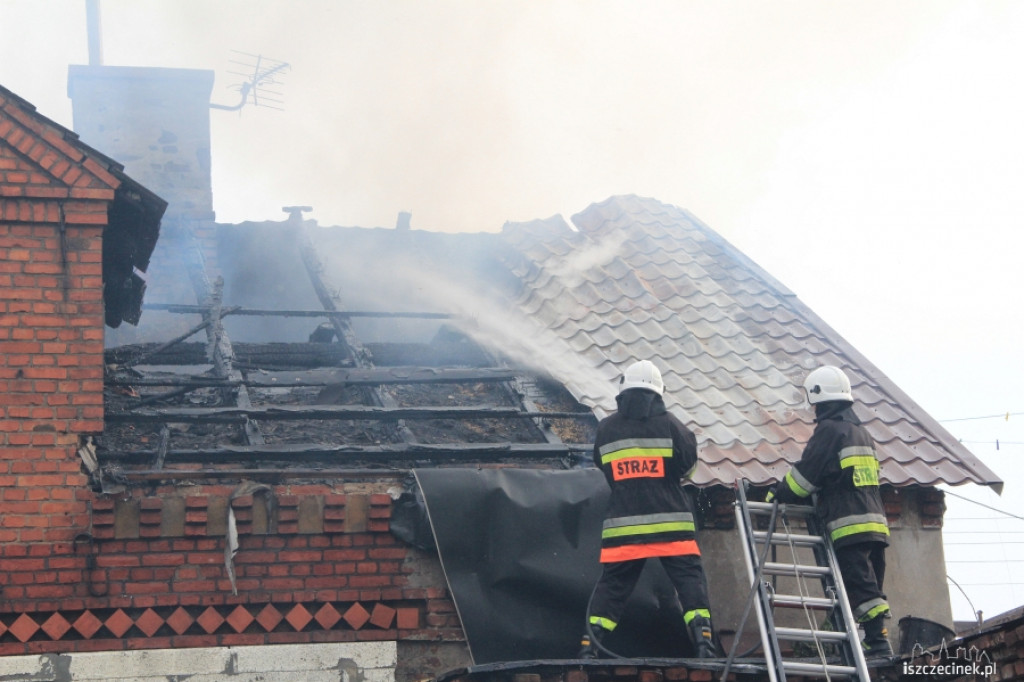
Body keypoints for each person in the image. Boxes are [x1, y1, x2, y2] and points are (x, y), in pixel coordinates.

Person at [579, 359, 717, 659]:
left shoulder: (606, 429)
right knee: (689, 581)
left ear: (623, 391)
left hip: (624, 525)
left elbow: (606, 469)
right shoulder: (672, 426)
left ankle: (589, 648)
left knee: (613, 586)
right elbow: (688, 469)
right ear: (658, 392)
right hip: (671, 524)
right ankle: (705, 645)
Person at [767, 365, 893, 659]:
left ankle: (878, 641)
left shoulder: (829, 431)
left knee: (859, 585)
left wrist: (778, 492)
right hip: (876, 525)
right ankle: (865, 639)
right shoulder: (861, 433)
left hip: (848, 525)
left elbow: (805, 478)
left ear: (818, 399)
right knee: (867, 584)